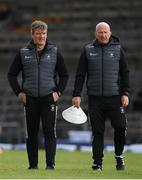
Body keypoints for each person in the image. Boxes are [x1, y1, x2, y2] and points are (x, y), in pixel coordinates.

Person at [8, 20, 69, 170]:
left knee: (49, 132)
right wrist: (19, 92)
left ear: (46, 34)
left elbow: (65, 75)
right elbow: (11, 74)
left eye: (44, 33)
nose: (41, 36)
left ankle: (50, 165)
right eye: (38, 34)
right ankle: (33, 166)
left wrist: (58, 92)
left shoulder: (55, 51)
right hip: (30, 99)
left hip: (49, 98)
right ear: (32, 35)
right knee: (32, 133)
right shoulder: (23, 53)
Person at [72, 22, 130, 171]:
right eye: (100, 32)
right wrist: (76, 94)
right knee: (97, 131)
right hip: (95, 98)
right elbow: (80, 74)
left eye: (105, 32)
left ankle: (119, 156)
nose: (103, 35)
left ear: (110, 33)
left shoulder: (118, 49)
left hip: (115, 97)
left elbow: (125, 73)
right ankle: (97, 163)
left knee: (120, 126)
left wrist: (125, 93)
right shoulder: (87, 50)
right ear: (95, 34)